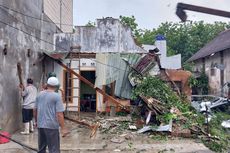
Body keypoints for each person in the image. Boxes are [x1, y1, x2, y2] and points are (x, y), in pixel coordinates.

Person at [34, 77, 68, 153]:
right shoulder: (56, 96)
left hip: (41, 125)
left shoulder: (39, 94)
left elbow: (35, 110)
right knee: (54, 149)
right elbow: (59, 114)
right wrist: (63, 128)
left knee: (41, 149)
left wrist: (36, 122)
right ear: (56, 86)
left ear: (47, 84)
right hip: (52, 126)